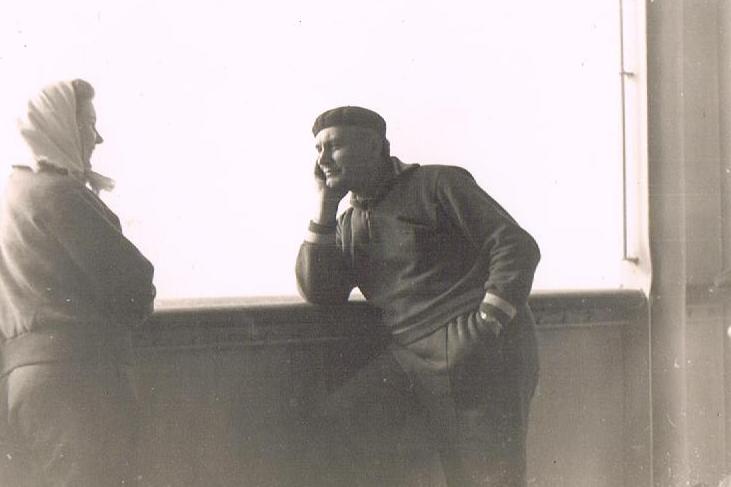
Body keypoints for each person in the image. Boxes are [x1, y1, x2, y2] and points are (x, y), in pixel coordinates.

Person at [296, 106, 541, 486]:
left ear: (374, 146)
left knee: (488, 478)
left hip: (479, 351)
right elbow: (320, 291)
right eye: (318, 149)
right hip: (410, 357)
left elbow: (515, 245)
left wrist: (486, 323)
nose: (322, 159)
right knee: (338, 422)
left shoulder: (437, 184)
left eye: (335, 146)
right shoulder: (348, 222)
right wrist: (325, 207)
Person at [0, 79, 155, 486]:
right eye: (88, 124)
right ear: (59, 126)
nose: (97, 138)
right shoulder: (61, 194)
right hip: (79, 382)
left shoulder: (14, 192)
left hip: (22, 383)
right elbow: (135, 287)